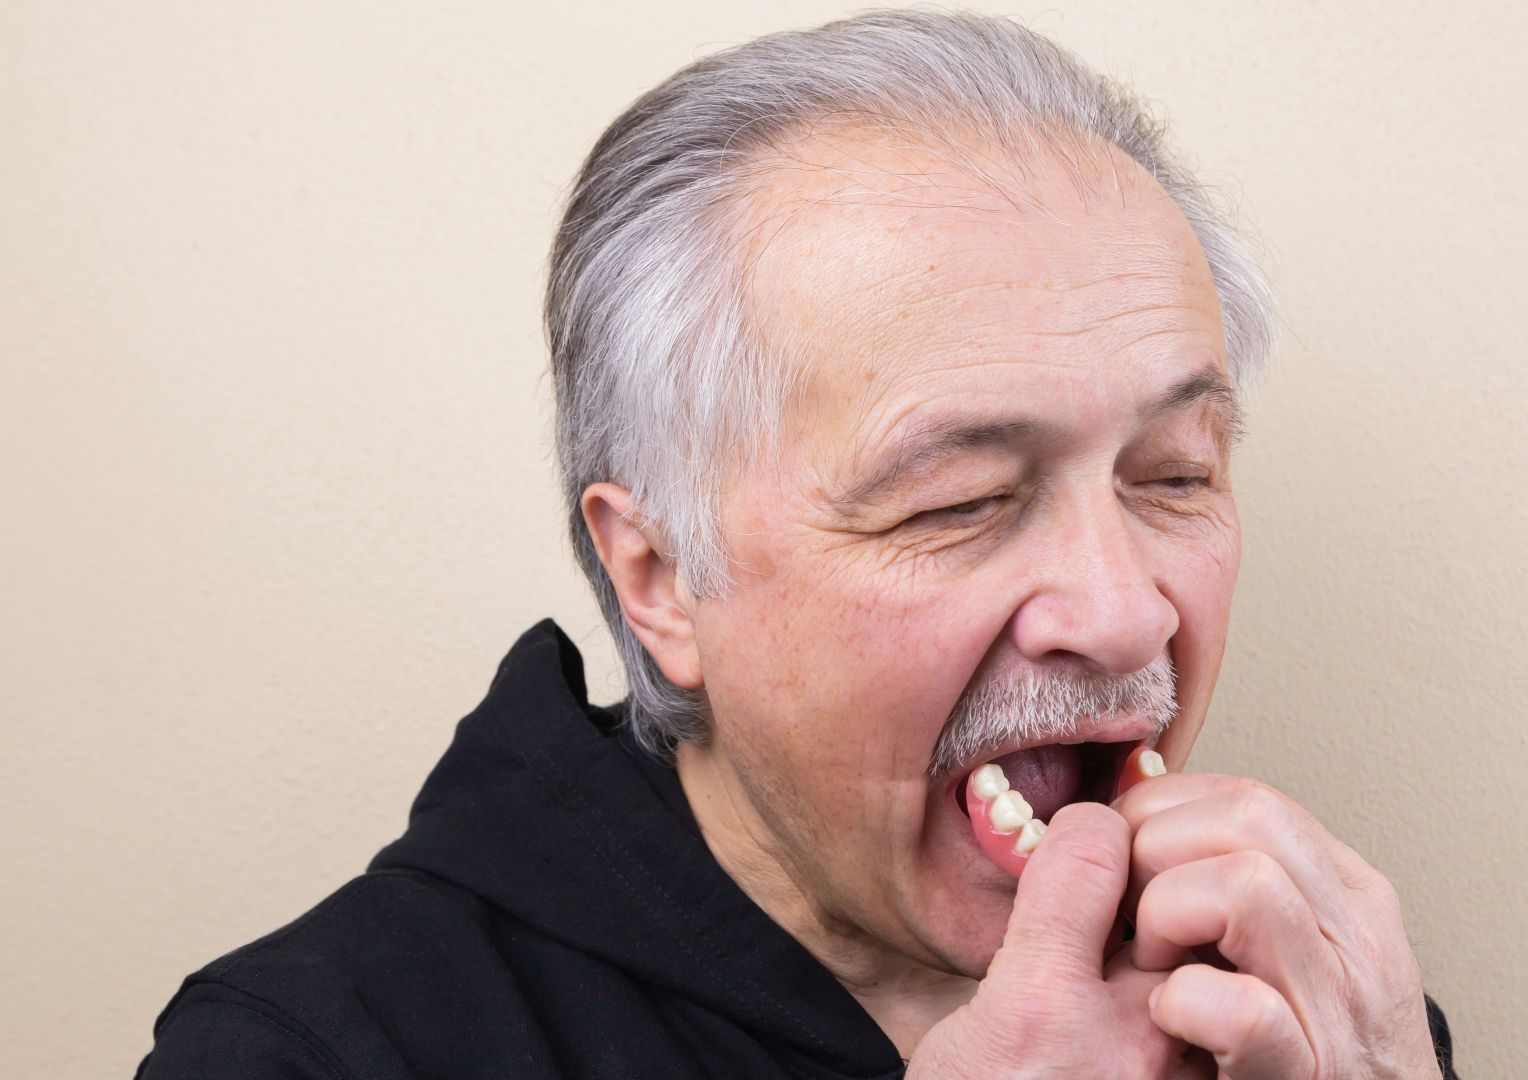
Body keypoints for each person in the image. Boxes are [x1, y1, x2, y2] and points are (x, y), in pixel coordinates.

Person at [138, 9, 1459, 1077]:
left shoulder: (1292, 1003)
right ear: (657, 579)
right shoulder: (312, 1051)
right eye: (960, 502)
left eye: (1174, 475)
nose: (1124, 616)